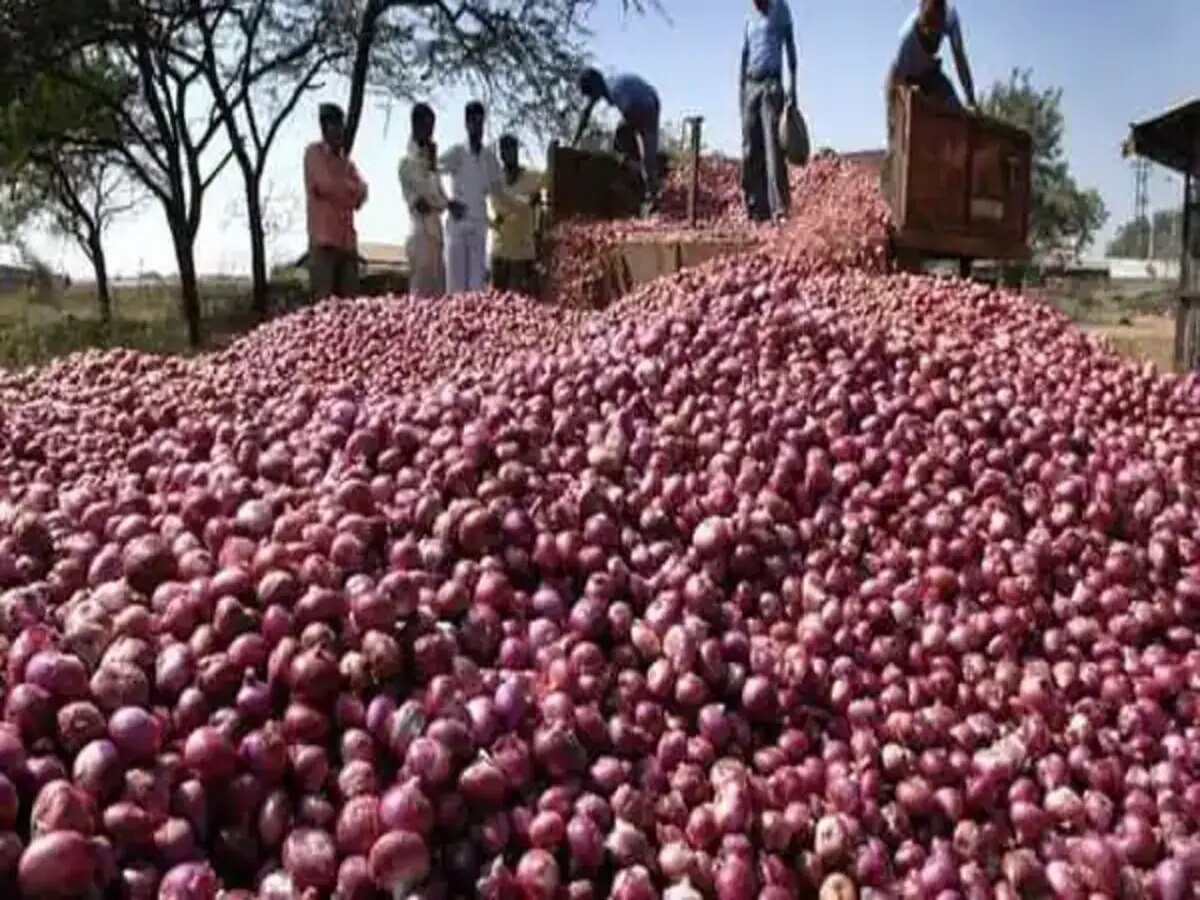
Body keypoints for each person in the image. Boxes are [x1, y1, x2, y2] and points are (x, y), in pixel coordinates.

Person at [439, 101, 516, 293]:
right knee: (456, 288)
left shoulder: (490, 158)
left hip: (479, 228)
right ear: (466, 123)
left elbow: (500, 191)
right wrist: (447, 203)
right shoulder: (457, 153)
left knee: (476, 289)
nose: (477, 127)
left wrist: (519, 206)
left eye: (481, 122)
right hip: (457, 227)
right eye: (473, 122)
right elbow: (432, 172)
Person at [740, 0, 798, 222]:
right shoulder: (748, 17)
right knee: (750, 149)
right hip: (751, 85)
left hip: (771, 85)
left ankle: (780, 209)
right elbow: (745, 56)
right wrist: (742, 92)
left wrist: (793, 88)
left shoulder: (780, 9)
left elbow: (791, 48)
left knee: (773, 148)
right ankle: (756, 208)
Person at [303, 103, 368, 301]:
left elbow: (362, 193)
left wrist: (345, 191)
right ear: (324, 127)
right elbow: (326, 184)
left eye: (342, 126)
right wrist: (349, 190)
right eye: (335, 126)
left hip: (347, 244)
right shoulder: (313, 154)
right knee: (324, 307)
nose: (340, 131)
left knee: (349, 309)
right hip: (324, 243)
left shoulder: (346, 163)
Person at [572, 68, 661, 211]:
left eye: (590, 95)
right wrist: (575, 140)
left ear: (595, 88)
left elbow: (629, 109)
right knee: (642, 154)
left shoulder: (614, 89)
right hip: (651, 98)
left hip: (642, 105)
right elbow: (586, 113)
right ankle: (645, 178)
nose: (591, 99)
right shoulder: (607, 83)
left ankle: (648, 190)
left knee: (624, 145)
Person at [886, 0, 977, 127]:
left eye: (938, 34)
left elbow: (960, 60)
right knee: (913, 115)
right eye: (930, 33)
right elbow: (894, 82)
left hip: (930, 72)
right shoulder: (907, 38)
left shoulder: (951, 19)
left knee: (955, 107)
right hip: (907, 78)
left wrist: (971, 99)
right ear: (921, 26)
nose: (935, 39)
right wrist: (893, 124)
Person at [399, 103, 454, 297]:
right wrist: (439, 202)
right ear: (415, 125)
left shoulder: (431, 165)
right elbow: (428, 198)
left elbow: (441, 199)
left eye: (432, 127)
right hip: (421, 234)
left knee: (439, 295)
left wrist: (442, 203)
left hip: (436, 235)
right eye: (427, 126)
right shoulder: (407, 164)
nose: (431, 133)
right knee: (421, 297)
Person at [489, 135, 544, 295]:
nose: (509, 153)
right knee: (498, 302)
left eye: (512, 149)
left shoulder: (533, 178)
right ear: (501, 154)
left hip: (523, 252)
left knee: (524, 303)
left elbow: (541, 205)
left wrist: (538, 233)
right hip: (500, 251)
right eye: (505, 150)